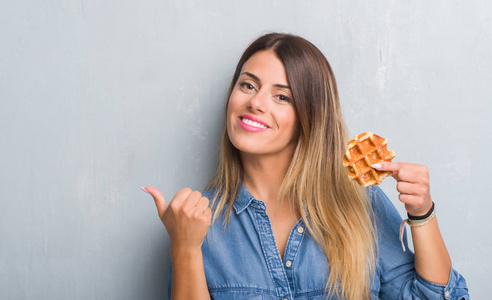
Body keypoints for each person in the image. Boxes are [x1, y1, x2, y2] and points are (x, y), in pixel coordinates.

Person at [142, 33, 469, 299]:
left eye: (282, 97)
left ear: (309, 118)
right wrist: (185, 247)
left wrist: (422, 213)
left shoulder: (359, 206)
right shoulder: (198, 220)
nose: (255, 102)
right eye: (248, 85)